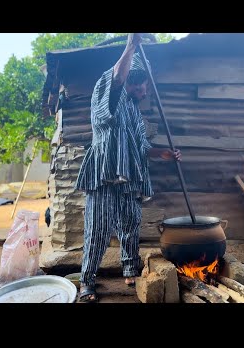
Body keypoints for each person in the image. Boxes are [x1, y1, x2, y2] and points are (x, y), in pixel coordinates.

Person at [74, 33, 182, 302]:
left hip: (129, 178)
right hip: (104, 174)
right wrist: (131, 47)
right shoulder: (108, 92)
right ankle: (87, 280)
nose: (144, 92)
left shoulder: (134, 110)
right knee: (98, 229)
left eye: (146, 88)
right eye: (141, 87)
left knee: (131, 225)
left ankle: (130, 270)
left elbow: (140, 147)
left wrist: (164, 153)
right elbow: (117, 79)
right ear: (130, 83)